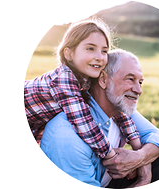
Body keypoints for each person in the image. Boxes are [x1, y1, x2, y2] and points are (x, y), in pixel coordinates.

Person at [40, 49, 159, 188]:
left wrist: (139, 158)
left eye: (140, 82)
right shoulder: (67, 136)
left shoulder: (121, 111)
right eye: (130, 79)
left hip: (106, 181)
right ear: (103, 79)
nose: (139, 90)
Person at [24, 17, 142, 161]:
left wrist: (137, 147)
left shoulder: (88, 76)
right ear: (68, 54)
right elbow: (84, 124)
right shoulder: (63, 81)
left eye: (104, 51)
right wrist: (112, 158)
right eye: (90, 49)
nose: (99, 57)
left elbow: (118, 111)